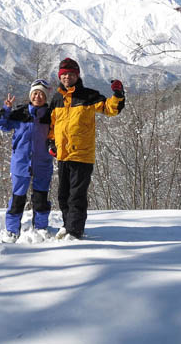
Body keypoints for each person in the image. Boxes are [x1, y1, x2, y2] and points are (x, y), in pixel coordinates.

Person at [47, 57, 125, 240]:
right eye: (64, 74)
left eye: (71, 74)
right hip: (63, 155)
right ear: (60, 76)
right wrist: (51, 143)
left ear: (77, 75)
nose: (67, 77)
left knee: (77, 196)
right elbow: (51, 125)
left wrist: (118, 95)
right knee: (63, 195)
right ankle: (67, 225)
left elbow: (110, 109)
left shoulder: (88, 96)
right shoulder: (57, 98)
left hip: (82, 155)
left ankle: (75, 230)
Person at [0, 78, 55, 242]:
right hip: (21, 163)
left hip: (42, 163)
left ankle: (41, 228)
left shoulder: (50, 115)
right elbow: (2, 125)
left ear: (45, 97)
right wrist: (6, 109)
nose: (38, 96)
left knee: (41, 198)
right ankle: (12, 230)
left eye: (41, 94)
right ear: (30, 95)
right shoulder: (20, 113)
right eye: (35, 93)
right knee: (18, 198)